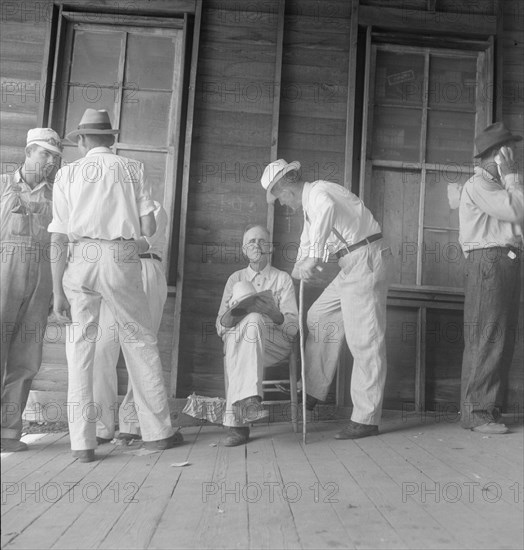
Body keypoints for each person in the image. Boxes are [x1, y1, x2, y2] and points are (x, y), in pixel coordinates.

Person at [48, 108, 181, 462]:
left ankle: (83, 444)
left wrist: (57, 291)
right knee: (139, 339)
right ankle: (155, 434)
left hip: (79, 257)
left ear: (82, 139)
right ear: (110, 138)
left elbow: (58, 237)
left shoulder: (67, 174)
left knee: (80, 349)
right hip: (121, 254)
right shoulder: (132, 168)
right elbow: (149, 229)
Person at [262, 159, 392, 439]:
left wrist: (314, 257)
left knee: (365, 340)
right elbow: (307, 241)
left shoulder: (320, 194)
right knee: (319, 315)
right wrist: (297, 269)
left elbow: (327, 215)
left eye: (278, 197)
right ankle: (313, 391)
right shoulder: (311, 207)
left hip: (365, 259)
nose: (282, 204)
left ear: (286, 187)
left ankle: (366, 418)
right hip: (351, 264)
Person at [459, 122, 523, 434]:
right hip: (490, 262)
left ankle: (488, 409)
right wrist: (512, 175)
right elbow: (519, 211)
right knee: (488, 336)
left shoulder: (496, 186)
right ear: (497, 155)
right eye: (510, 151)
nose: (516, 156)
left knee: (501, 337)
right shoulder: (480, 185)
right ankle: (477, 414)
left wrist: (510, 180)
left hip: (504, 262)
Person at [1, 128, 62, 453]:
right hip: (3, 278)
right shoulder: (1, 185)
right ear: (28, 151)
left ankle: (9, 431)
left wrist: (56, 289)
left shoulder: (57, 196)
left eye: (55, 156)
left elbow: (61, 243)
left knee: (26, 359)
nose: (50, 161)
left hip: (41, 282)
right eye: (45, 154)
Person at [216, 224, 299, 446]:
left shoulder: (282, 279)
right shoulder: (236, 279)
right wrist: (235, 313)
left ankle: (237, 427)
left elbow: (293, 329)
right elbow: (220, 326)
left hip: (274, 343)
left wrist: (275, 314)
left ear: (270, 248)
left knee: (251, 326)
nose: (257, 246)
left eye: (262, 241)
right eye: (251, 242)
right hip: (240, 340)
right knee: (246, 326)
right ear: (244, 250)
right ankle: (250, 403)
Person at [93, 200, 169, 444]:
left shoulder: (155, 208)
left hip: (146, 267)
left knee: (140, 349)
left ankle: (131, 423)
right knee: (103, 347)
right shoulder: (113, 207)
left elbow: (143, 243)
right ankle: (101, 426)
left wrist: (108, 245)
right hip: (112, 273)